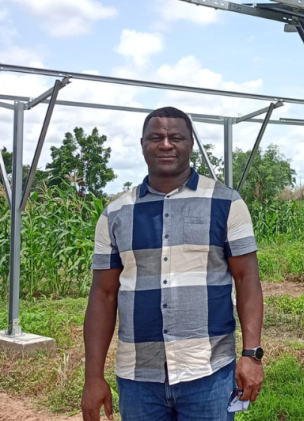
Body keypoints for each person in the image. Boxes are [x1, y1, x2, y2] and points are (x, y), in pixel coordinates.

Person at [81, 107, 264, 421]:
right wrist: (92, 376)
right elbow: (103, 295)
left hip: (209, 373)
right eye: (156, 137)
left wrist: (252, 355)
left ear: (191, 144)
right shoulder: (115, 213)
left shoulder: (225, 202)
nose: (165, 144)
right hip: (139, 378)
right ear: (142, 144)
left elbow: (247, 279)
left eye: (175, 137)